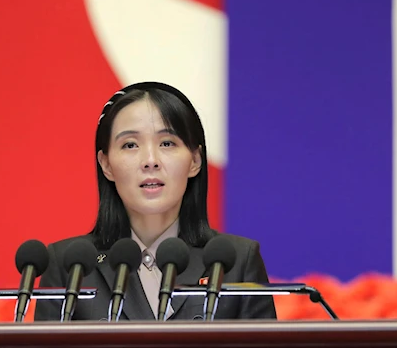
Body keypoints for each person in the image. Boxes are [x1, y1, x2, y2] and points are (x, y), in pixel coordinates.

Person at [34, 82, 277, 321]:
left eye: (167, 143)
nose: (150, 160)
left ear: (195, 160)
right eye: (130, 145)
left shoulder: (238, 261)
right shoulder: (70, 266)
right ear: (106, 164)